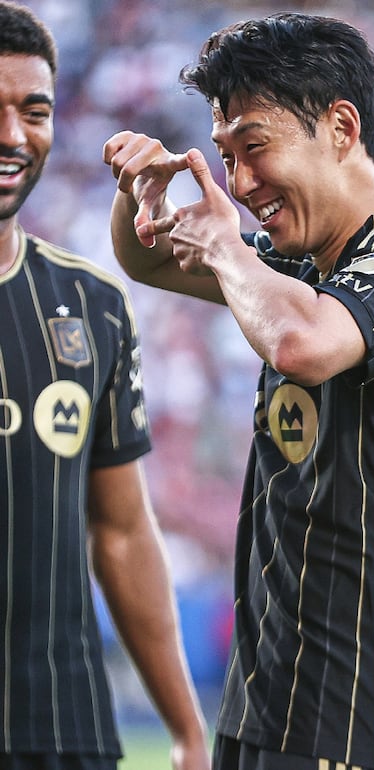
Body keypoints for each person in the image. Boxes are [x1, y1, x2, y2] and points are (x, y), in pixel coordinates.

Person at [103, 12, 374, 770]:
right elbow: (147, 261)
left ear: (341, 127)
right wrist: (138, 198)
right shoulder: (300, 267)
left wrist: (222, 244)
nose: (240, 184)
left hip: (361, 725)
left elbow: (301, 345)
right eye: (225, 156)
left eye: (254, 148)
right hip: (264, 711)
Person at [0, 3, 211, 769]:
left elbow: (121, 531)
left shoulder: (92, 306)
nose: (13, 135)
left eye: (34, 112)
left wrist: (188, 732)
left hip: (65, 733)